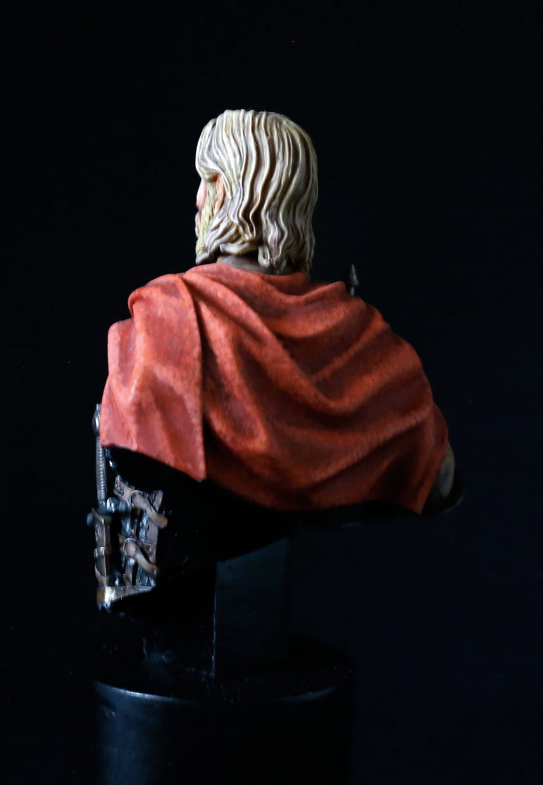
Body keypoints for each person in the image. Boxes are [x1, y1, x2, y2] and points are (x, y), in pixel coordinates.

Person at [100, 109, 454, 515]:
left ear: (236, 190)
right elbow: (440, 479)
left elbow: (137, 447)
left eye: (209, 179)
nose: (197, 199)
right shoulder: (371, 344)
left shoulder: (165, 321)